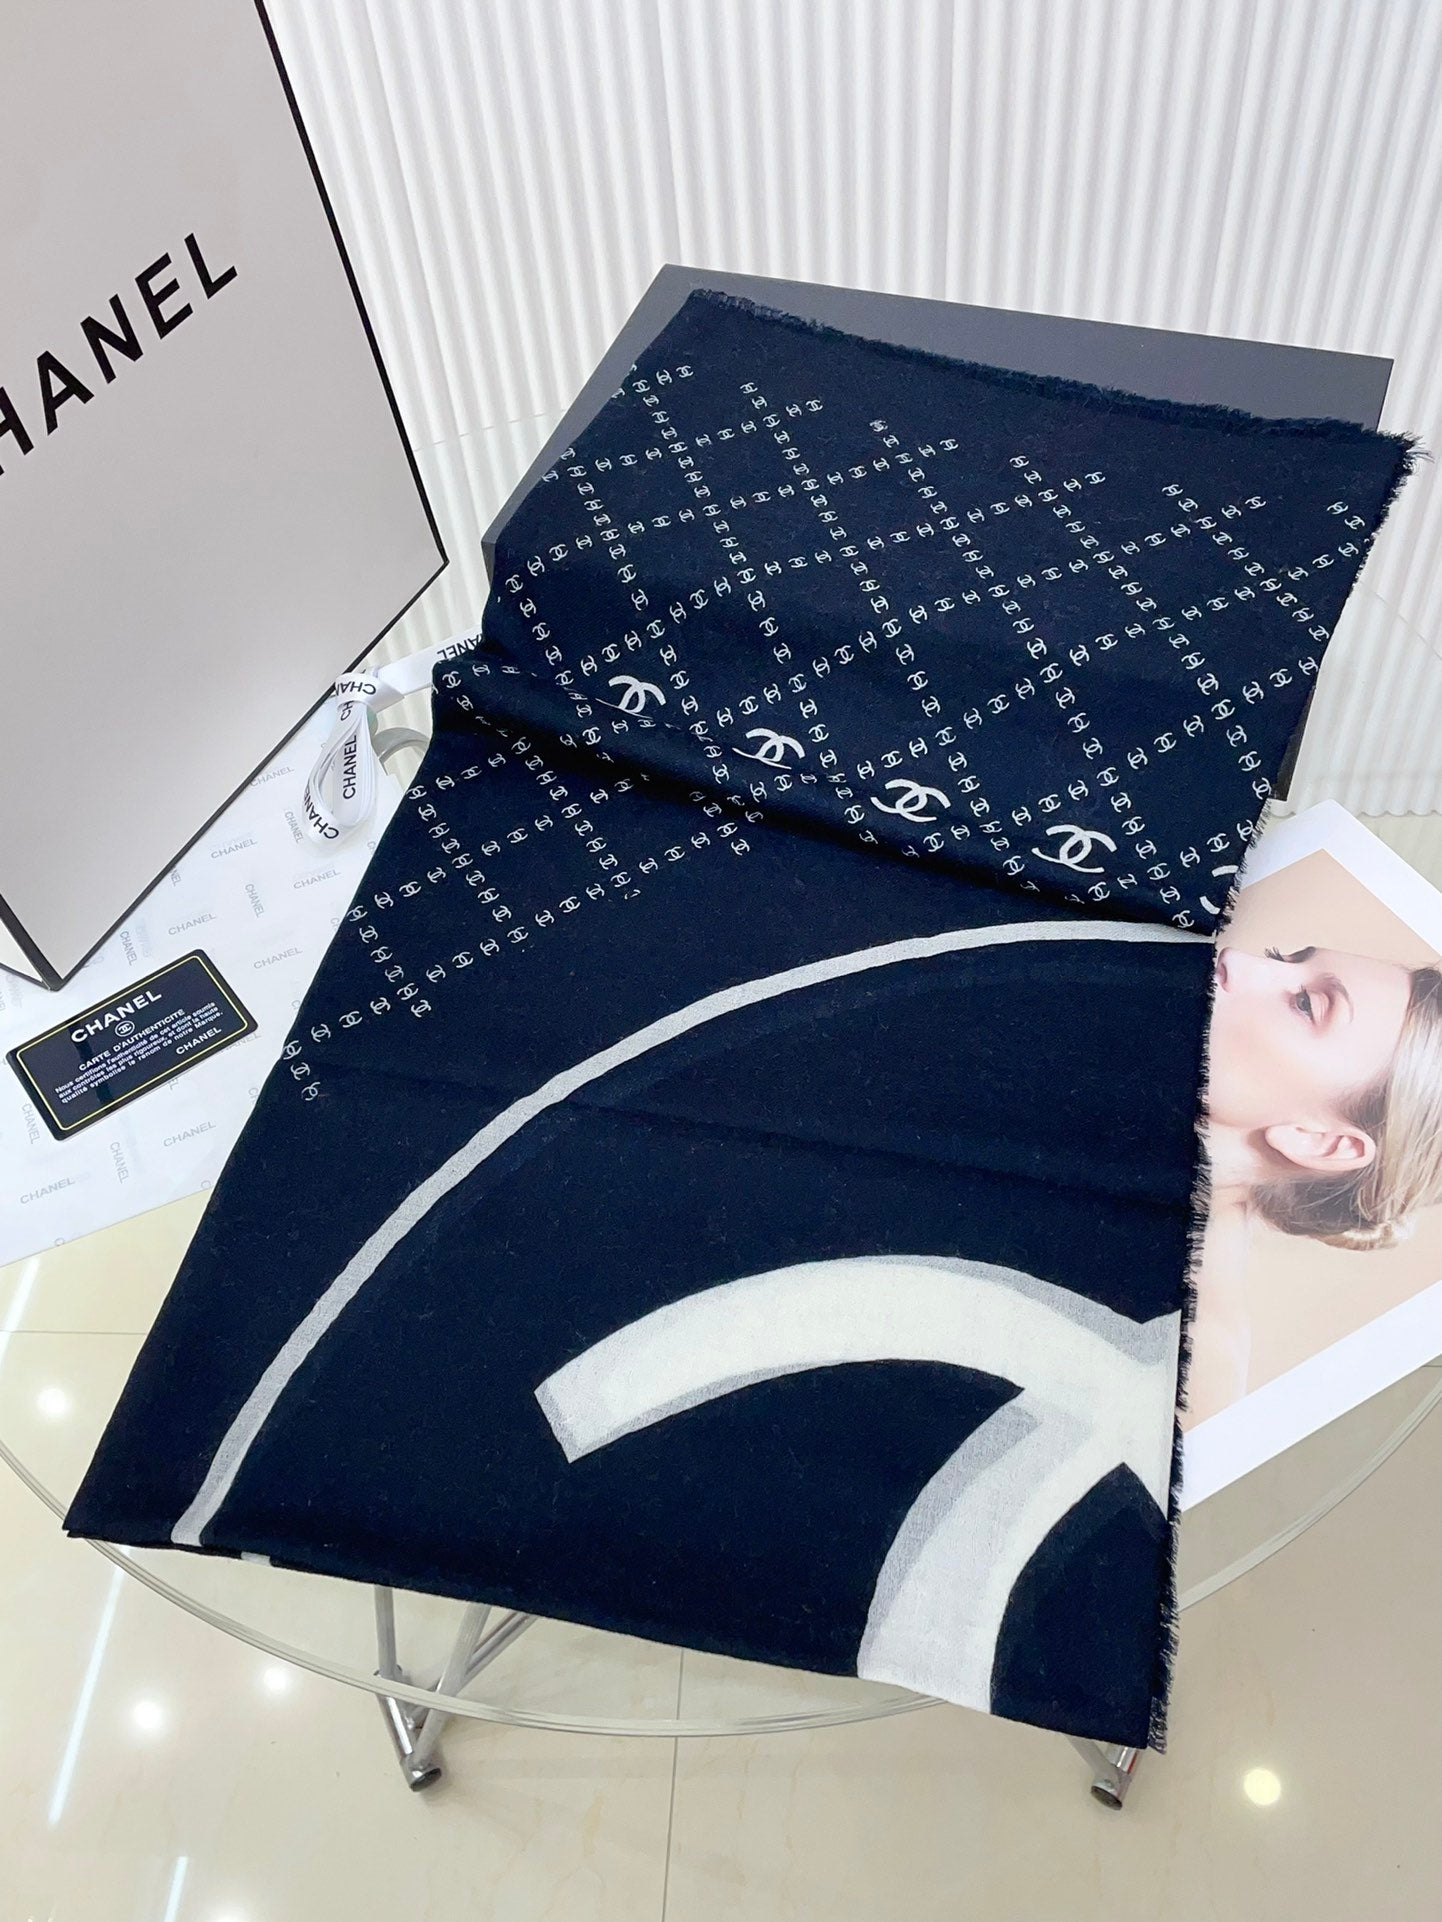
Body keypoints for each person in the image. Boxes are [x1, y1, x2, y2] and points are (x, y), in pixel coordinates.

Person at [1186, 942, 1442, 1423]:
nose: (1235, 958)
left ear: (1321, 1141)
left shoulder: (1193, 1364)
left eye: (1306, 1004)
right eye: (1282, 958)